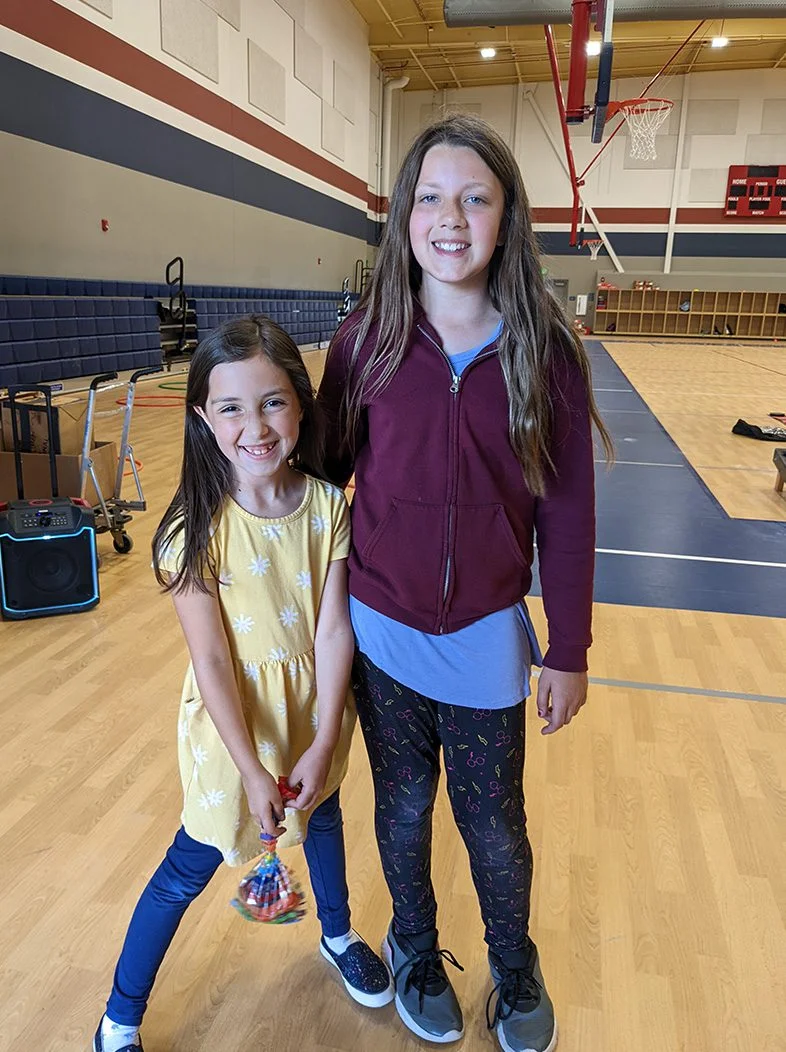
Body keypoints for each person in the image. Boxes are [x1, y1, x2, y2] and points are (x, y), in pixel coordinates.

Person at [318, 114, 613, 1052]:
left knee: (494, 827)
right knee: (403, 810)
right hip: (381, 630)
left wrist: (569, 648)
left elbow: (569, 515)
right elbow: (322, 484)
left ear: (506, 218)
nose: (451, 217)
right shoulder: (365, 342)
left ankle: (513, 967)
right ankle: (413, 948)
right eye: (432, 197)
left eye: (475, 198)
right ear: (405, 214)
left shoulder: (544, 350)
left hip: (486, 632)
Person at [93, 316, 393, 1052]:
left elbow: (333, 631)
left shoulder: (328, 507)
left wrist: (324, 736)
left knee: (323, 819)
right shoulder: (192, 530)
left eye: (272, 402)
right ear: (204, 417)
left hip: (312, 716)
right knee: (187, 865)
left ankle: (337, 934)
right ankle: (119, 1017)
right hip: (233, 736)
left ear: (301, 406)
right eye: (231, 408)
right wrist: (253, 769)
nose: (255, 427)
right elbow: (213, 661)